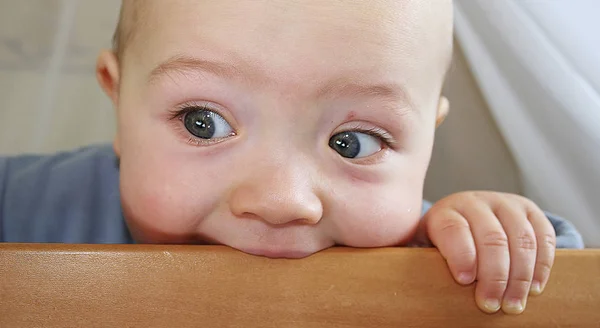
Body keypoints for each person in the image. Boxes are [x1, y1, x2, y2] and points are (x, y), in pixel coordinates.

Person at [0, 0, 583, 315]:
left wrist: (495, 239)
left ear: (427, 138)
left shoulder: (434, 259)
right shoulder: (24, 205)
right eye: (203, 123)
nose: (282, 200)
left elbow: (568, 288)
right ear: (118, 98)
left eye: (354, 142)